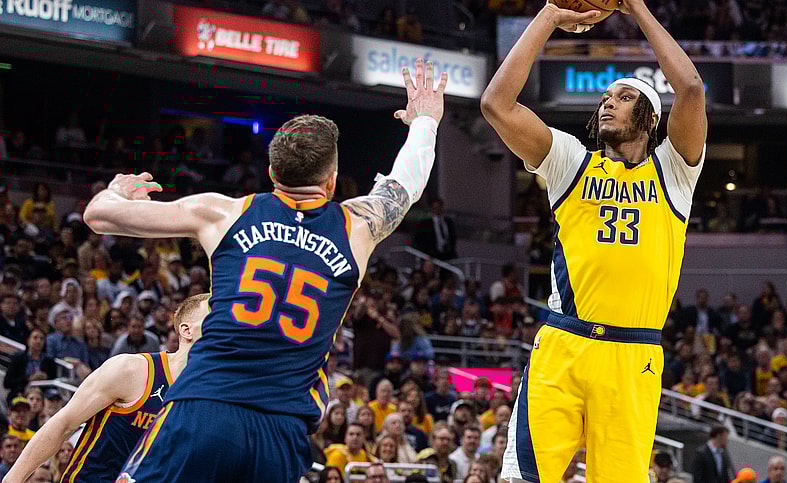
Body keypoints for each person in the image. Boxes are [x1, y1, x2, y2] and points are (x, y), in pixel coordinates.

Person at [82, 58, 447, 483]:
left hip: (205, 408)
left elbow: (98, 216)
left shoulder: (223, 213)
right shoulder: (357, 228)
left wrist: (117, 191)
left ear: (272, 173)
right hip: (283, 427)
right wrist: (425, 123)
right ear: (331, 182)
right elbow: (404, 186)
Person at [481, 0, 707, 479]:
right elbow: (495, 105)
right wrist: (548, 16)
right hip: (564, 344)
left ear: (649, 118)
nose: (608, 101)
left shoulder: (674, 172)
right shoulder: (571, 162)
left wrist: (636, 7)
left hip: (633, 358)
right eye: (605, 97)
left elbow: (689, 88)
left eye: (623, 97)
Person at [2, 294, 208, 483]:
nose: (229, 328)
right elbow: (63, 424)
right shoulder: (133, 370)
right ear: (186, 330)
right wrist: (12, 480)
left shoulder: (213, 397)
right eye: (215, 319)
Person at [4, 329, 56, 404]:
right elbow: (7, 383)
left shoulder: (49, 361)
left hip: (43, 395)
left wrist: (45, 378)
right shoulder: (18, 359)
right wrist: (29, 379)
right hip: (21, 393)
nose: (38, 341)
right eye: (35, 338)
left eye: (41, 338)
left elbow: (53, 382)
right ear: (28, 340)